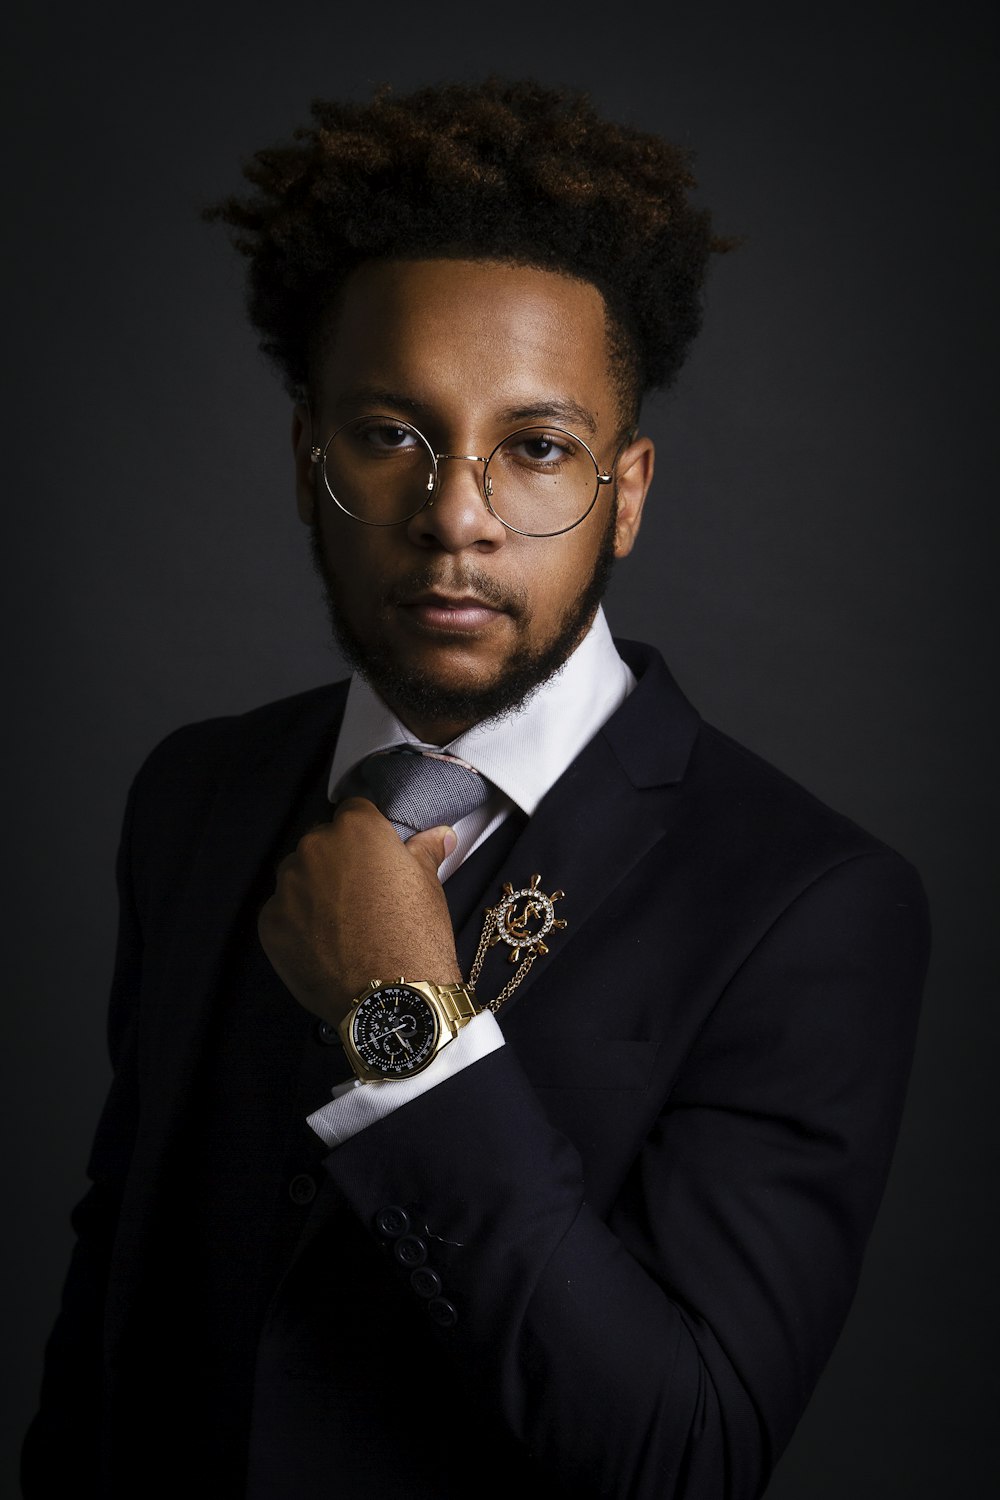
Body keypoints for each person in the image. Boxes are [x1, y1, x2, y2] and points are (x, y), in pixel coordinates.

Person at [23, 81, 929, 1500]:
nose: (456, 514)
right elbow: (119, 1280)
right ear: (308, 454)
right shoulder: (194, 793)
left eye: (535, 447)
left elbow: (683, 1457)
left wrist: (406, 1030)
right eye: (393, 433)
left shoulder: (807, 907)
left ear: (626, 490)